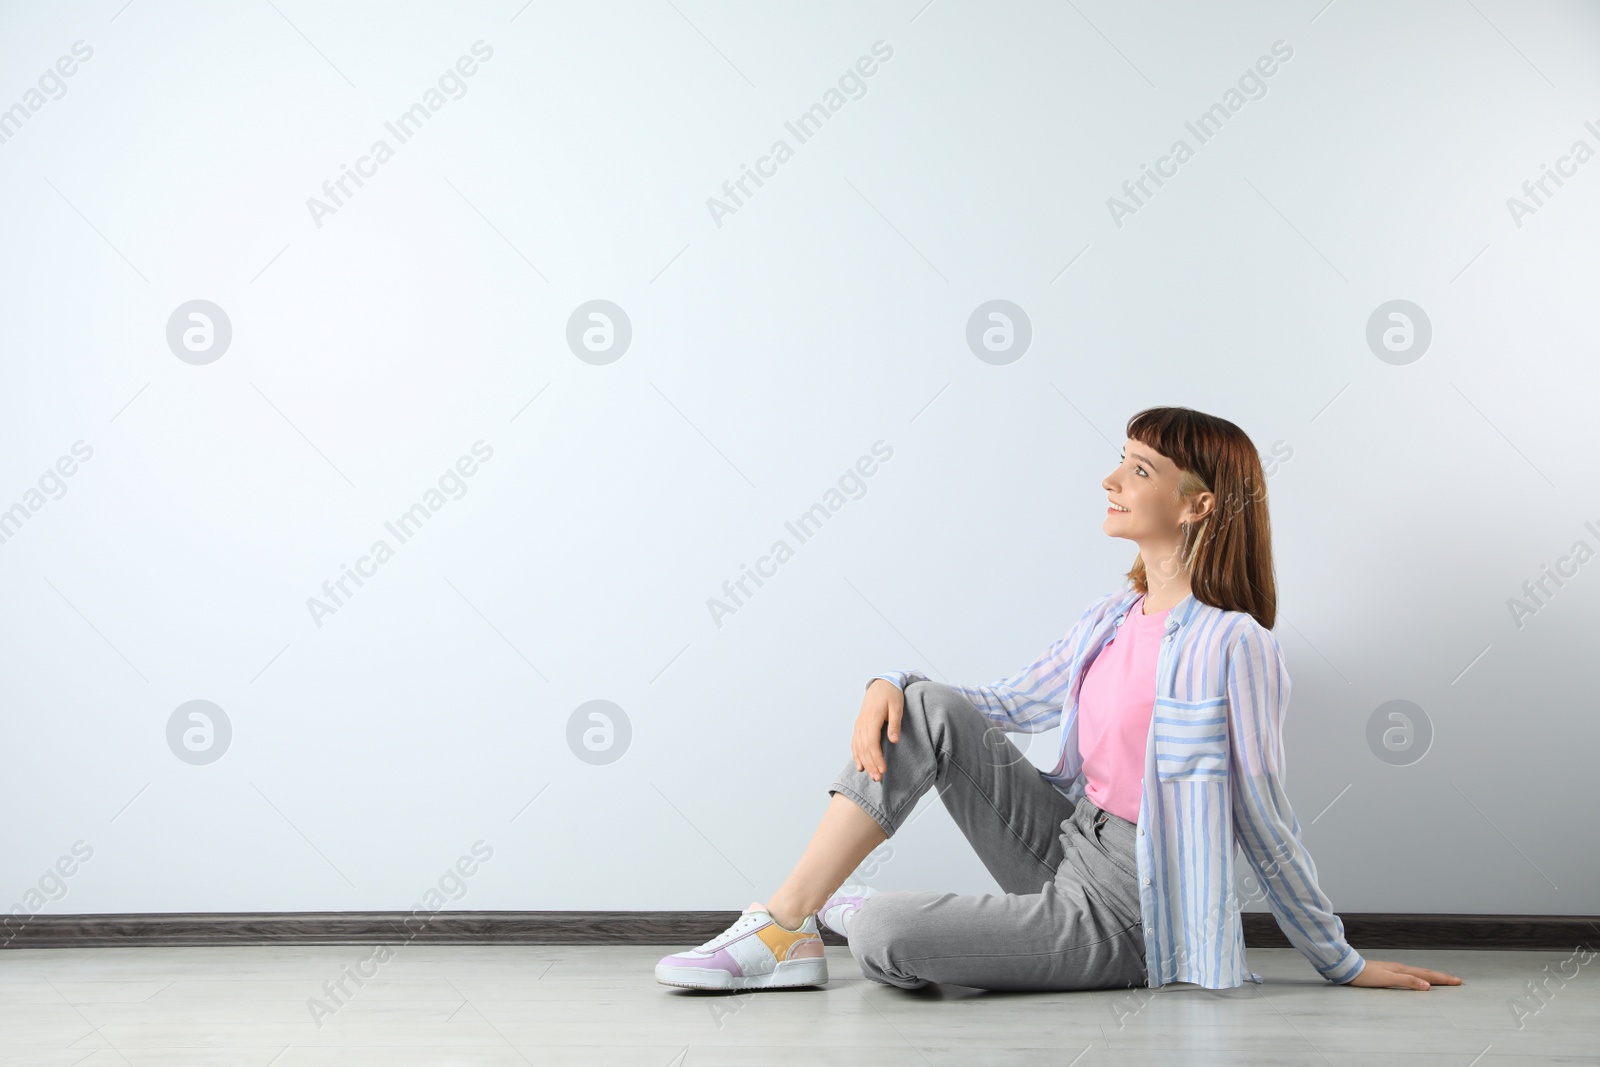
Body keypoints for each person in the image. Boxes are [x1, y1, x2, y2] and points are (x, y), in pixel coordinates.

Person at [656, 406, 1463, 995]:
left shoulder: (1235, 645)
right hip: (1066, 839)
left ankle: (846, 909)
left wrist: (1340, 958)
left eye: (1139, 470)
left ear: (1198, 503)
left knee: (885, 935)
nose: (1112, 480)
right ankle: (789, 921)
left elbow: (1265, 815)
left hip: (1133, 910)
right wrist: (887, 681)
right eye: (1121, 461)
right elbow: (1005, 702)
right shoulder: (1110, 617)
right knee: (926, 702)